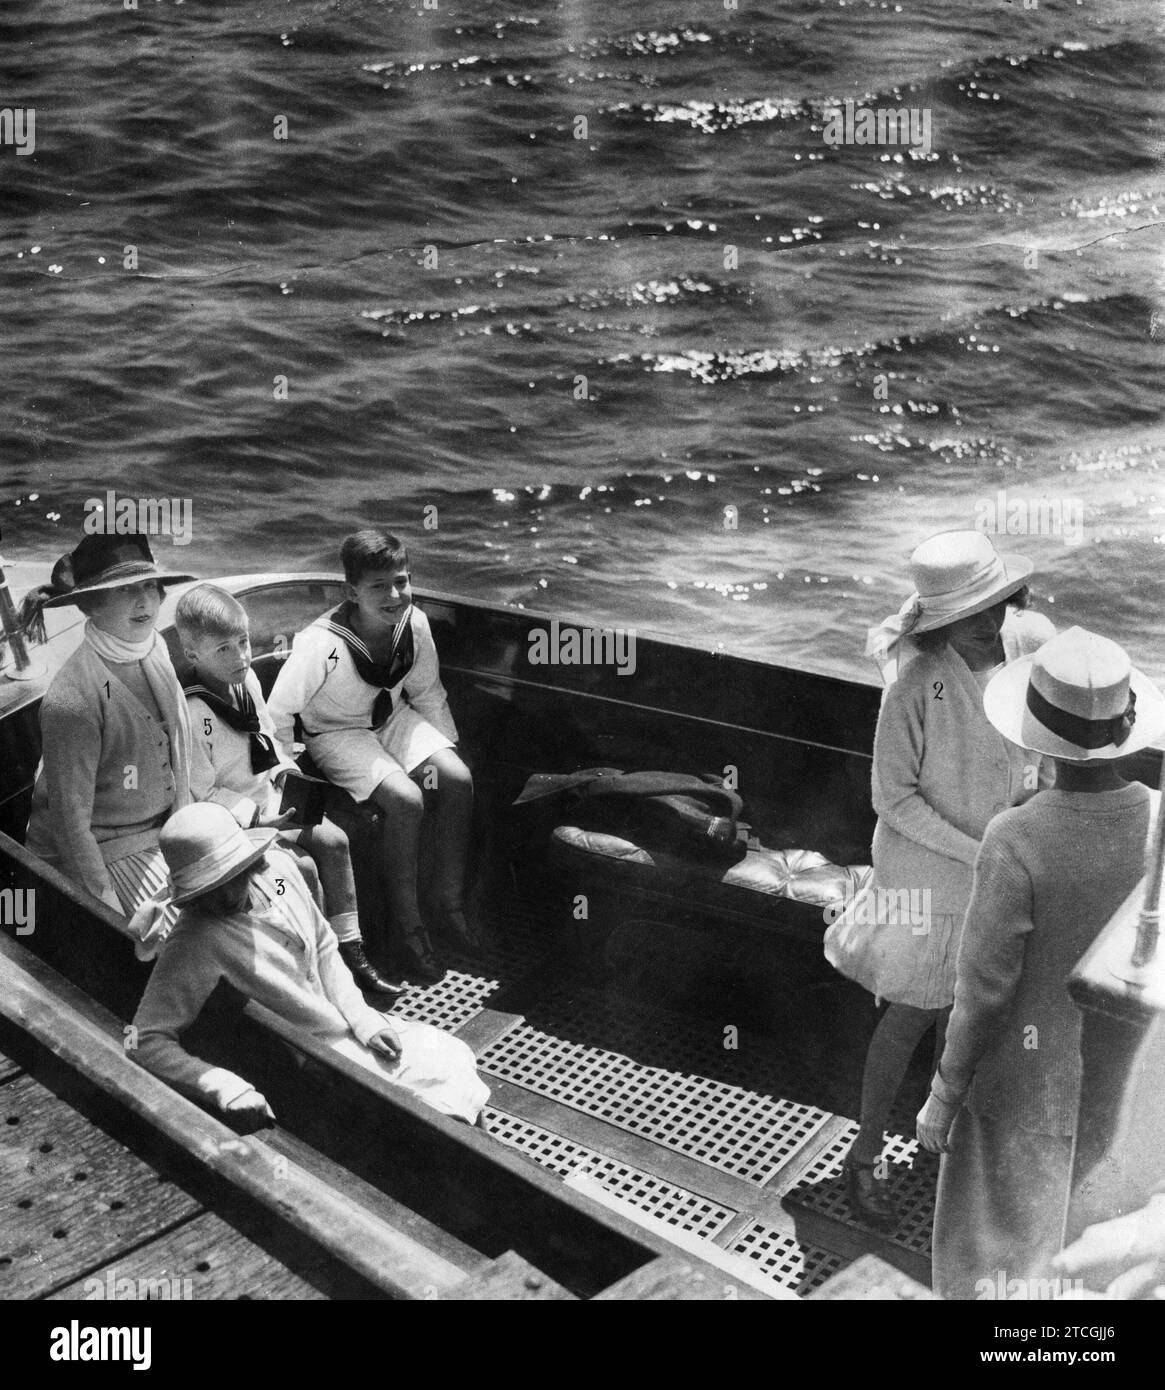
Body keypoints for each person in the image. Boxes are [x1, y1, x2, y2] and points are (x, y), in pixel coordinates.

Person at [916, 627, 1165, 1299]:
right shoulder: (1157, 822)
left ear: (1033, 737)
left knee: (992, 1266)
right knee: (1077, 1270)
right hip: (1119, 1097)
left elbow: (983, 993)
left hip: (1019, 1093)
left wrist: (943, 1094)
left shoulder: (1015, 837)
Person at [824, 530, 1055, 1230]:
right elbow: (891, 799)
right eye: (971, 612)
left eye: (996, 603)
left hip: (1001, 865)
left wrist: (1030, 820)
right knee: (917, 1011)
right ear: (938, 620)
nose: (991, 621)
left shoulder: (1029, 647)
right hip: (928, 874)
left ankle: (945, 1135)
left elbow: (1045, 749)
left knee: (982, 1011)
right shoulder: (914, 686)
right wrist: (976, 849)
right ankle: (863, 1151)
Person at [130, 803, 490, 1125]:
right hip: (318, 1062)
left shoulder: (280, 875)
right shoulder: (195, 939)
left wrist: (363, 1018)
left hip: (348, 1027)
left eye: (232, 876)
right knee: (433, 1102)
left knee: (451, 1055)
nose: (224, 897)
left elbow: (324, 944)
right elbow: (142, 1040)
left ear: (251, 863)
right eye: (207, 889)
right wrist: (222, 1086)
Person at [267, 530, 478, 985]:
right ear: (351, 592)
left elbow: (427, 692)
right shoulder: (320, 644)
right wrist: (290, 773)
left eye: (401, 581)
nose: (394, 594)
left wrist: (443, 748)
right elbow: (278, 715)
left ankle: (448, 905)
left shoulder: (415, 624)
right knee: (406, 800)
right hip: (336, 733)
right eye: (378, 586)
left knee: (456, 779)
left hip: (393, 718)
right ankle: (409, 928)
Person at [175, 583, 402, 997]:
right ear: (193, 655)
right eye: (224, 649)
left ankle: (350, 951)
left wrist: (284, 772)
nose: (242, 656)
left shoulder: (246, 685)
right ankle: (312, 968)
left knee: (334, 840)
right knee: (302, 868)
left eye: (243, 642)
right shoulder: (192, 712)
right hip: (233, 823)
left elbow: (268, 742)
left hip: (270, 800)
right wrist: (259, 818)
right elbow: (203, 794)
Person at [22, 533, 195, 949]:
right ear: (88, 605)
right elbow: (70, 827)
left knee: (262, 895)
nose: (145, 602)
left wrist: (194, 834)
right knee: (188, 942)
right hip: (104, 850)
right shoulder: (73, 700)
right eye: (124, 590)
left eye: (149, 586)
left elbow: (180, 759)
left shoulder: (154, 650)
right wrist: (110, 913)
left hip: (164, 828)